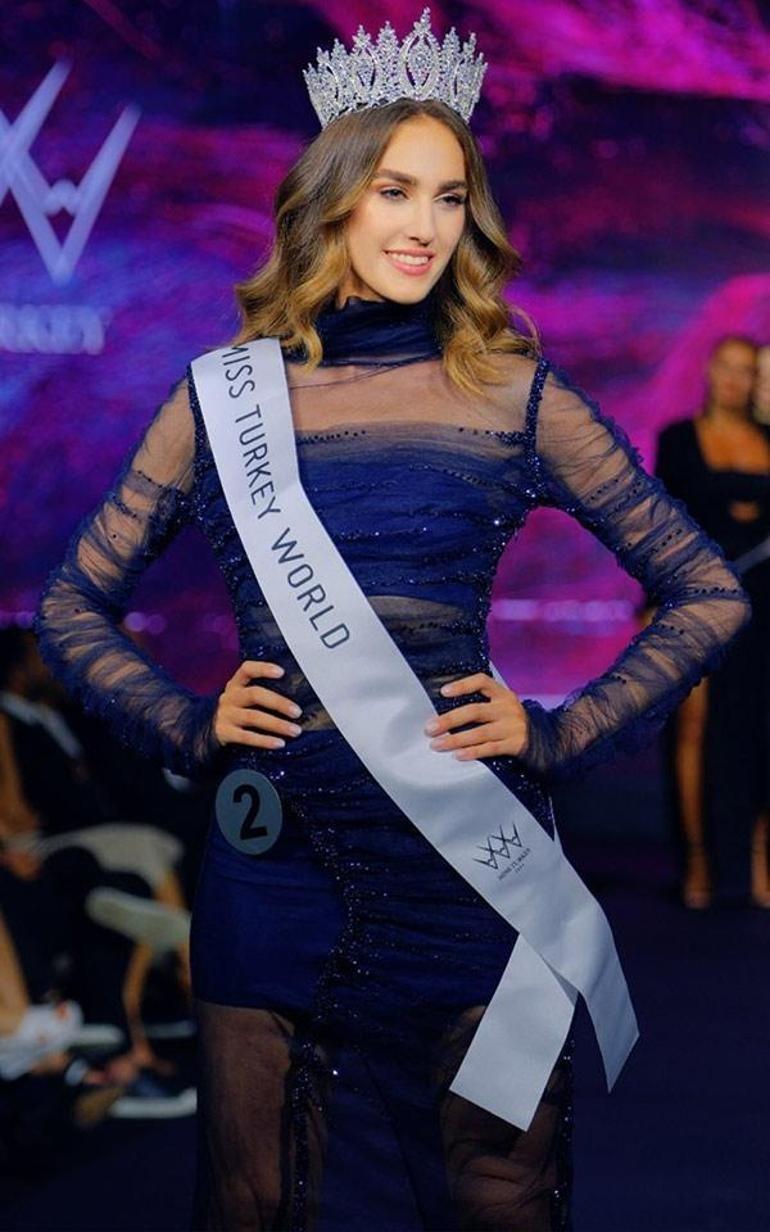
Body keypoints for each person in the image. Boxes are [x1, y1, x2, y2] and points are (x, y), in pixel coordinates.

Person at [33, 10, 750, 1230]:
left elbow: (707, 589)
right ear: (331, 201)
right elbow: (69, 603)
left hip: (474, 870)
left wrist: (557, 732)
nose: (424, 224)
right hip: (274, 868)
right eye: (393, 190)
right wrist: (186, 721)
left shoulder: (513, 395)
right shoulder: (223, 400)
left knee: (500, 1194)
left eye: (450, 196)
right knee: (255, 1202)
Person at [655, 335, 770, 908]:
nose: (733, 378)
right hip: (696, 602)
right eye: (726, 366)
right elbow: (660, 526)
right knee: (693, 730)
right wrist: (654, 599)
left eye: (747, 370)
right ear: (708, 370)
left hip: (766, 607)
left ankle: (760, 865)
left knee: (763, 734)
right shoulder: (679, 438)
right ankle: (698, 863)